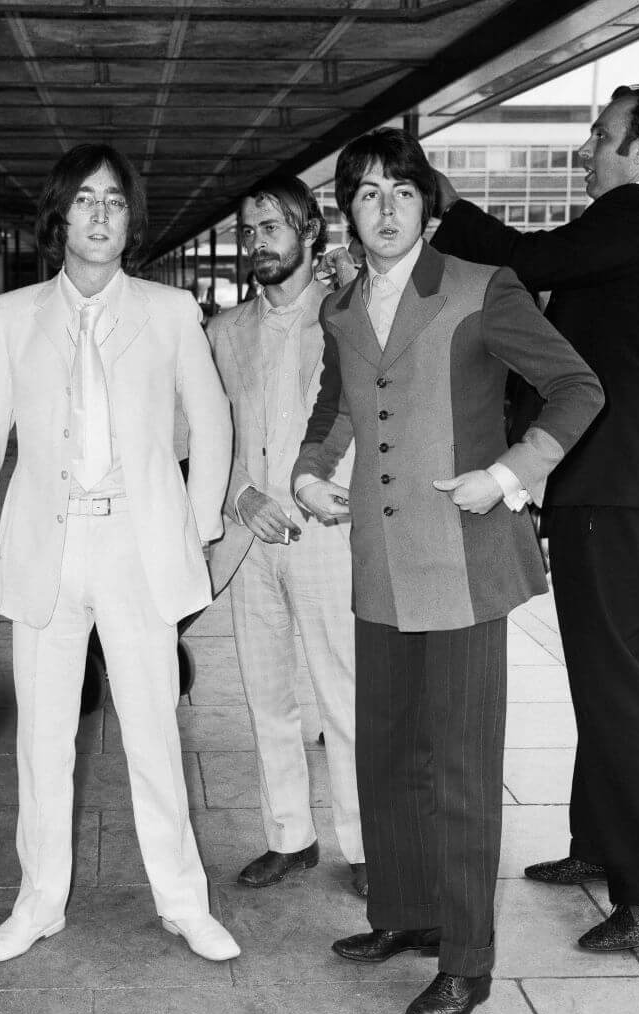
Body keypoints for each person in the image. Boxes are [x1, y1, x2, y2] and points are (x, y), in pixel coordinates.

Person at [292, 128, 602, 1014]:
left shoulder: (479, 288)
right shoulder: (342, 307)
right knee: (385, 755)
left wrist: (508, 476)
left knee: (463, 770)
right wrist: (313, 470)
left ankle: (466, 960)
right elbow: (336, 403)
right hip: (380, 568)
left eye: (400, 191)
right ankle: (404, 914)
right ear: (346, 212)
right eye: (365, 193)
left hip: (464, 567)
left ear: (428, 205)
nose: (383, 209)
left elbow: (577, 388)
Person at [432, 84, 639, 953]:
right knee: (613, 675)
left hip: (620, 484)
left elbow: (533, 258)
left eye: (600, 136)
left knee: (612, 686)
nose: (585, 151)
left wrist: (450, 208)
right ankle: (600, 847)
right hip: (635, 483)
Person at [0, 143, 240, 964]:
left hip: (135, 547)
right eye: (84, 201)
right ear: (60, 217)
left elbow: (211, 423)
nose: (99, 215)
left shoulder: (172, 311)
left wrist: (201, 525)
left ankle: (184, 902)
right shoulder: (12, 314)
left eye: (113, 201)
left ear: (129, 220)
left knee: (152, 730)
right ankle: (38, 902)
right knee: (42, 740)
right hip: (47, 543)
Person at [205, 176, 365, 898]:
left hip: (328, 534)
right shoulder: (223, 332)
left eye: (272, 227)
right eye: (248, 230)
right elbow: (203, 438)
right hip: (249, 541)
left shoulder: (346, 318)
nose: (257, 241)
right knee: (266, 696)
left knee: (345, 694)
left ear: (311, 234)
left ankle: (364, 847)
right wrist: (238, 497)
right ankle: (289, 838)